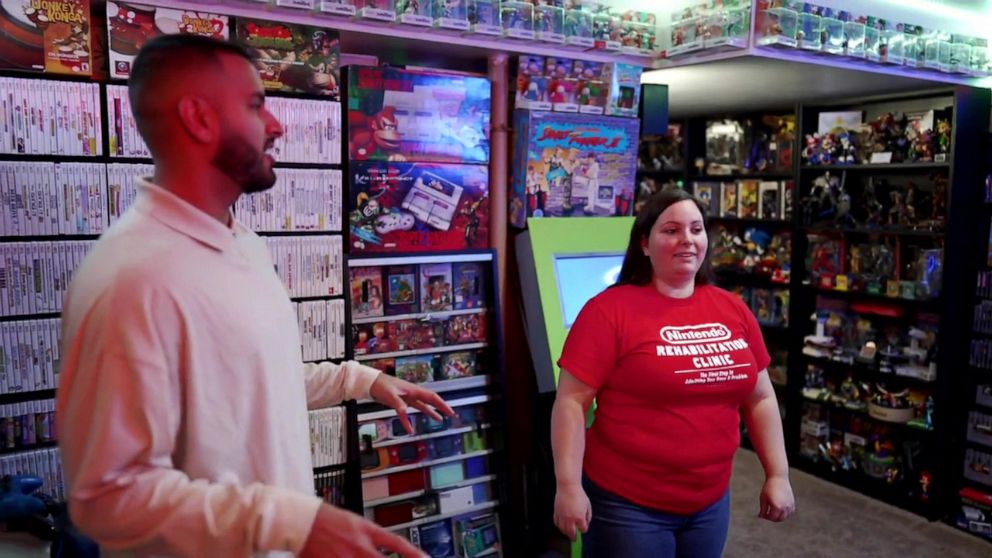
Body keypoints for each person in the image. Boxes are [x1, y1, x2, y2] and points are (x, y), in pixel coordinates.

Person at [56, 35, 447, 558]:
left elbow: (249, 383)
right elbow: (108, 496)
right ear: (198, 118)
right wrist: (293, 524)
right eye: (255, 104)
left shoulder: (240, 244)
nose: (278, 125)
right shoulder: (133, 280)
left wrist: (363, 380)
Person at [551, 188, 794, 557]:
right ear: (645, 244)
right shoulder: (608, 310)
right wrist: (568, 486)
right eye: (671, 230)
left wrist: (778, 474)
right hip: (627, 503)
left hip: (710, 501)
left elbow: (760, 397)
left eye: (696, 229)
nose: (687, 240)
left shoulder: (732, 309)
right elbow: (571, 402)